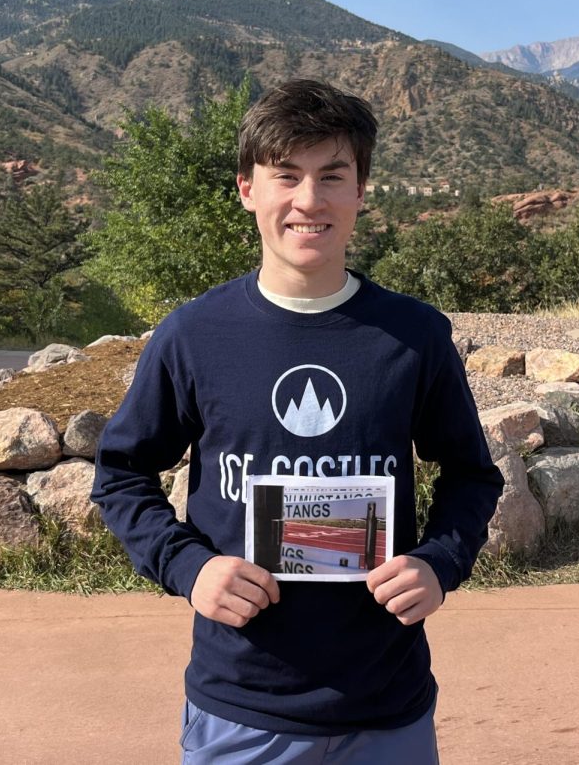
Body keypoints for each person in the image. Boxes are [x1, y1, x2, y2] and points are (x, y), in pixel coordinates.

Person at [93, 78, 503, 763]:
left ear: (361, 192)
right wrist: (190, 568)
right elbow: (121, 474)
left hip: (388, 707)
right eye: (286, 175)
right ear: (247, 188)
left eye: (331, 176)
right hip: (244, 705)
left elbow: (470, 475)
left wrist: (440, 562)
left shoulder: (413, 336)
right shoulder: (194, 335)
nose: (308, 201)